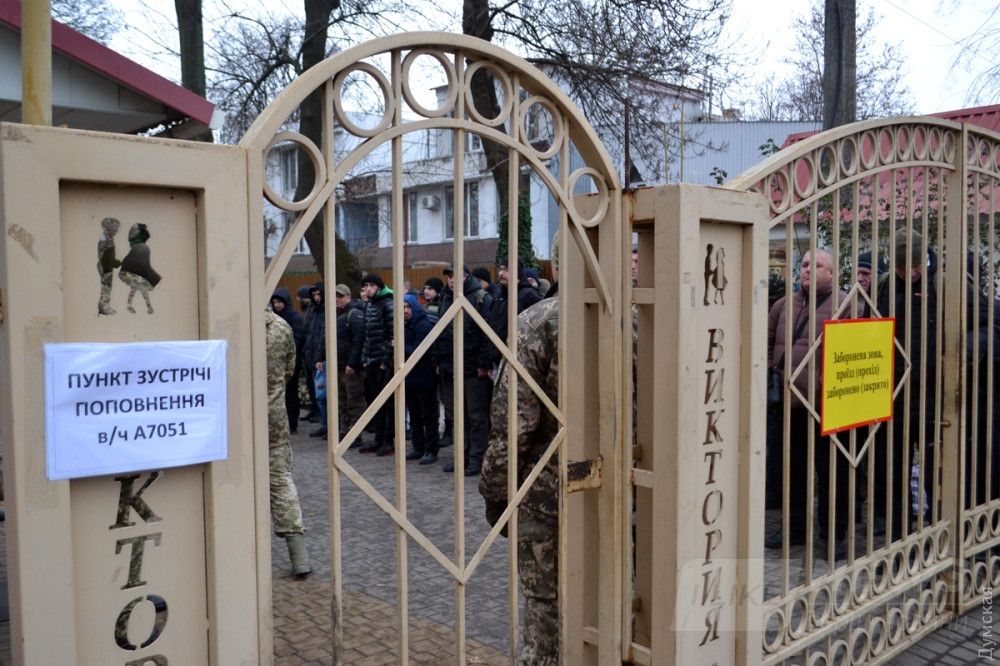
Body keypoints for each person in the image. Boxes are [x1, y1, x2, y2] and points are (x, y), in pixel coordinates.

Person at [480, 238, 561, 664]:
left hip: (548, 497)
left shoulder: (539, 322)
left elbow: (513, 427)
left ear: (557, 265)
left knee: (546, 617)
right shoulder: (647, 316)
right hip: (628, 498)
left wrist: (496, 494)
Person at [765, 249, 849, 558]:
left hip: (829, 408)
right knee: (793, 472)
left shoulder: (847, 305)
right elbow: (767, 343)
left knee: (832, 474)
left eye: (818, 265)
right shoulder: (782, 305)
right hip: (791, 406)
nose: (808, 270)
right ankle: (795, 528)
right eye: (804, 264)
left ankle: (833, 534)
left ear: (832, 272)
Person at [265, 309, 311, 576]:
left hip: (233, 419)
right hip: (274, 418)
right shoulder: (281, 326)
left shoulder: (228, 323)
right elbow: (289, 370)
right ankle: (298, 555)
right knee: (281, 482)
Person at [442, 270, 494, 475]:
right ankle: (462, 457)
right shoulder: (446, 299)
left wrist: (483, 364)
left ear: (466, 276)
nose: (451, 280)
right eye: (449, 277)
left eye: (455, 275)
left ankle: (476, 458)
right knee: (458, 415)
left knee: (476, 415)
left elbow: (487, 334)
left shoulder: (481, 298)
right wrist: (441, 362)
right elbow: (443, 335)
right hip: (453, 367)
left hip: (473, 368)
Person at [357, 275, 396, 456]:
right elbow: (367, 335)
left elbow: (392, 336)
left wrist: (385, 361)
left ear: (379, 287)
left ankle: (388, 441)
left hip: (382, 362)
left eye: (372, 285)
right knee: (375, 402)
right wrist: (364, 358)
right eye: (366, 285)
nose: (368, 288)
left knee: (387, 403)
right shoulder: (370, 305)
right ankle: (378, 439)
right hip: (371, 361)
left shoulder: (388, 304)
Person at [402, 294, 440, 464]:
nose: (405, 311)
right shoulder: (404, 326)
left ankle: (431, 449)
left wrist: (400, 345)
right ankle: (418, 447)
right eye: (402, 308)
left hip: (424, 378)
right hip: (410, 378)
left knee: (428, 415)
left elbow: (419, 352)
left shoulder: (424, 326)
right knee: (414, 415)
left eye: (408, 307)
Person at [489, 256, 544, 369]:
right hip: (498, 361)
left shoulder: (529, 295)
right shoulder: (498, 297)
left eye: (506, 270)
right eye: (500, 269)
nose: (501, 273)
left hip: (521, 363)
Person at [332, 283, 366, 440]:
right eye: (335, 296)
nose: (336, 299)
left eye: (340, 296)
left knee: (354, 400)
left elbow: (358, 340)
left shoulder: (354, 314)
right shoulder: (337, 315)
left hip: (350, 368)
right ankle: (345, 431)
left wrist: (352, 363)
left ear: (348, 297)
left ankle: (355, 434)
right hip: (339, 366)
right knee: (342, 401)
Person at [271, 287, 305, 434]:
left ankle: (292, 422)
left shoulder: (294, 317)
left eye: (279, 302)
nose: (277, 305)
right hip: (276, 363)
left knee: (291, 393)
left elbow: (299, 339)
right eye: (274, 302)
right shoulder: (273, 319)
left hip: (291, 361)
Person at [119, 223, 161, 314]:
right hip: (135, 274)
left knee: (135, 289)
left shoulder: (137, 247)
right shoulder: (144, 248)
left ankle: (131, 306)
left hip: (130, 273)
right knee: (142, 289)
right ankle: (148, 307)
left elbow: (128, 261)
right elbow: (144, 264)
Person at [303, 283, 327, 435]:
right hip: (311, 354)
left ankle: (327, 424)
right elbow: (308, 332)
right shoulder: (312, 311)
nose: (317, 298)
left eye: (319, 294)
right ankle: (323, 423)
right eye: (314, 295)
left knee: (324, 394)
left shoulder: (326, 311)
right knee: (318, 393)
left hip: (321, 357)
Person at [97, 216, 121, 315]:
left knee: (107, 287)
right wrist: (116, 263)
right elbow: (105, 258)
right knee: (106, 287)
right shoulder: (105, 240)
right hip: (106, 268)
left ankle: (103, 307)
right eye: (115, 228)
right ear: (109, 228)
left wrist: (114, 262)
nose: (117, 230)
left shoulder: (108, 238)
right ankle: (104, 308)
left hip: (107, 267)